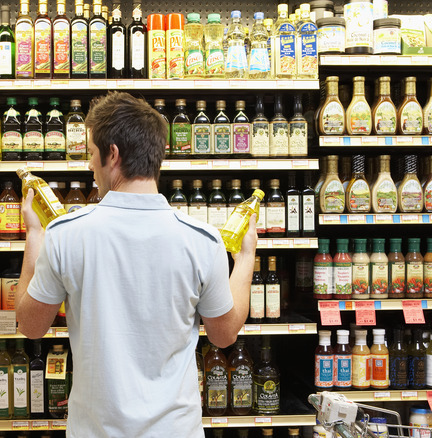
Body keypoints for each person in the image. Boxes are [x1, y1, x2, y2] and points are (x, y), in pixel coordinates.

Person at [15, 91, 257, 437]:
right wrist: (246, 257)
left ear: (112, 154)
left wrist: (34, 235)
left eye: (92, 154)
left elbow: (30, 324)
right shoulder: (202, 240)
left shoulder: (66, 235)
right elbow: (223, 334)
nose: (89, 165)